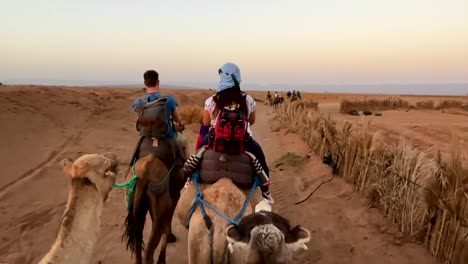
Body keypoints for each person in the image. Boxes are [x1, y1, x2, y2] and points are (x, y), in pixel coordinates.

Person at [193, 62, 273, 203]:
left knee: (197, 155)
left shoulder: (211, 100)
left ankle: (189, 180)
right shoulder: (247, 99)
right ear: (237, 77)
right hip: (243, 142)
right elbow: (251, 121)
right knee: (260, 156)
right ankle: (266, 190)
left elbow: (205, 123)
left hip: (215, 140)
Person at [131, 70, 187, 198]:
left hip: (146, 138)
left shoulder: (138, 102)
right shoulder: (169, 100)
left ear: (145, 83)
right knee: (183, 142)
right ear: (158, 82)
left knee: (135, 160)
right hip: (166, 138)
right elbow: (178, 119)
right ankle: (186, 173)